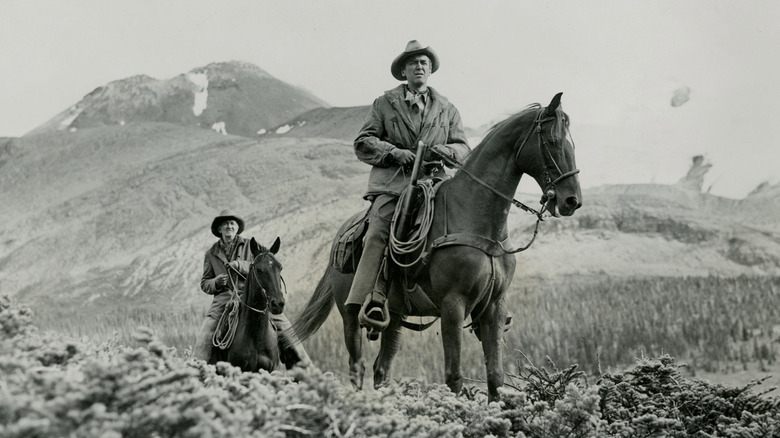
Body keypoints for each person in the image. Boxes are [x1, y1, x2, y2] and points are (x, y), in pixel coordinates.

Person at [347, 40, 471, 333]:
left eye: (424, 63)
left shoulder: (447, 109)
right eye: (413, 62)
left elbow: (463, 148)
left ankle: (483, 300)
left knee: (466, 225)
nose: (419, 67)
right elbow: (363, 142)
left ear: (430, 70)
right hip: (394, 182)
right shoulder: (384, 103)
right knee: (378, 232)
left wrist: (443, 152)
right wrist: (393, 153)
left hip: (435, 182)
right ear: (403, 71)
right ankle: (371, 299)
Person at [194, 209, 312, 368]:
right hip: (224, 300)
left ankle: (307, 372)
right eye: (225, 224)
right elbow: (205, 283)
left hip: (252, 296)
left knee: (285, 328)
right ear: (219, 229)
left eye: (232, 223)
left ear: (236, 228)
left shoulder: (252, 246)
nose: (229, 226)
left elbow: (267, 263)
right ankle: (196, 373)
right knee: (206, 334)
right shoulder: (211, 254)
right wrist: (216, 282)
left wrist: (240, 265)